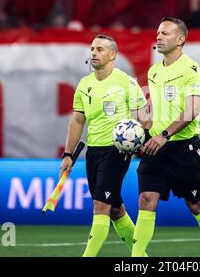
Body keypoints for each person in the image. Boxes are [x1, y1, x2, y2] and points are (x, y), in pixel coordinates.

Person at [131, 17, 200, 257]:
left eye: (165, 33)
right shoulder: (154, 71)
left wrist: (164, 135)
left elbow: (192, 111)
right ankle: (136, 258)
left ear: (180, 39)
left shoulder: (191, 69)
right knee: (146, 199)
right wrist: (140, 134)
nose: (158, 36)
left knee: (195, 204)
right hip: (155, 147)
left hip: (183, 148)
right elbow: (154, 112)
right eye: (158, 32)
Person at [59, 34, 149, 257]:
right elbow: (78, 120)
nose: (93, 53)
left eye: (99, 49)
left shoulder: (126, 82)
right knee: (115, 208)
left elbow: (144, 118)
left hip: (116, 150)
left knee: (100, 205)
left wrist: (138, 138)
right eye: (92, 49)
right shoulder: (84, 84)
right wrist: (68, 153)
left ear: (112, 55)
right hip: (93, 150)